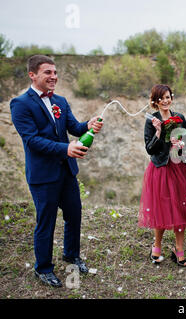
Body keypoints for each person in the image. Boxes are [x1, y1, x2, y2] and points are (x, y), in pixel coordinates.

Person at [10, 55, 103, 287]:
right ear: (32, 75)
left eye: (55, 72)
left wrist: (88, 125)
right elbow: (32, 140)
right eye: (47, 73)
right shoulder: (20, 104)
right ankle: (43, 268)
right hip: (43, 175)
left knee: (74, 215)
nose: (54, 77)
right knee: (46, 221)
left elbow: (74, 127)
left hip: (66, 171)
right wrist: (66, 148)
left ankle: (71, 255)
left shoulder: (60, 100)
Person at [138, 84, 186, 267]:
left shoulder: (179, 118)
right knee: (161, 208)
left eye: (168, 97)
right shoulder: (151, 120)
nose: (165, 101)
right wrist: (159, 132)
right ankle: (157, 246)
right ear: (155, 101)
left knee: (181, 207)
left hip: (180, 167)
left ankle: (179, 250)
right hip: (161, 168)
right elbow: (149, 149)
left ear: (172, 98)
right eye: (161, 98)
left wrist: (181, 143)